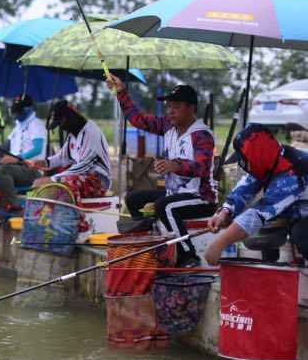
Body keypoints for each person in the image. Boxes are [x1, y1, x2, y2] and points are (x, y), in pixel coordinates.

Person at [107, 75, 217, 266]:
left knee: (165, 206)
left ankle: (188, 256)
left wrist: (176, 165)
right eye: (169, 106)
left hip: (200, 198)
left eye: (176, 106)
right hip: (173, 194)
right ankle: (148, 245)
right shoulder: (168, 126)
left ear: (191, 108)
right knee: (133, 199)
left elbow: (202, 167)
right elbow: (139, 120)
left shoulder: (202, 135)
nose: (171, 111)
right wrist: (121, 93)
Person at [205, 124, 308, 265]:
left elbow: (260, 213)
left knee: (301, 235)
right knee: (259, 232)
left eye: (244, 159)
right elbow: (244, 189)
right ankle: (271, 266)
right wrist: (224, 212)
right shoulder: (269, 159)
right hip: (296, 208)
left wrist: (220, 243)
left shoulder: (294, 171)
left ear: (256, 155)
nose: (242, 163)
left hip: (303, 212)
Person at [33, 101, 111, 231]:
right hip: (83, 177)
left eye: (61, 123)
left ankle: (80, 228)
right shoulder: (73, 136)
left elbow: (83, 166)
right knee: (58, 180)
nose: (61, 128)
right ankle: (52, 224)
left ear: (69, 118)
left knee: (66, 182)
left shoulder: (90, 132)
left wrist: (52, 179)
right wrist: (45, 163)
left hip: (98, 181)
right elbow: (63, 157)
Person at [0, 96, 47, 208]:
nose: (16, 115)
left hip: (33, 170)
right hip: (17, 168)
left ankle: (16, 205)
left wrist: (17, 158)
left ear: (28, 109)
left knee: (2, 171)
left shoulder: (36, 124)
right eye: (14, 112)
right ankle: (1, 208)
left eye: (18, 111)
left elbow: (37, 149)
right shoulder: (17, 128)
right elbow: (1, 150)